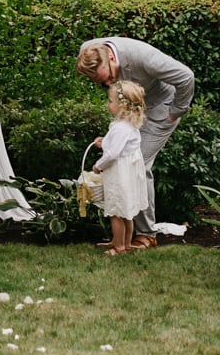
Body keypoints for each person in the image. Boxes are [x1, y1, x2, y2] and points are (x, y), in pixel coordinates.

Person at [73, 34, 198, 249]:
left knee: (138, 164)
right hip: (129, 114)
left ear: (111, 58)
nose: (108, 84)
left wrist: (176, 111)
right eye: (101, 83)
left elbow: (186, 76)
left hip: (161, 109)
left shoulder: (144, 57)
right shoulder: (89, 51)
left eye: (109, 78)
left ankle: (147, 235)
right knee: (126, 163)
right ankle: (123, 235)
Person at [92, 82, 150, 255]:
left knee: (116, 213)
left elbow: (112, 155)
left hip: (119, 176)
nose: (107, 104)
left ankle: (118, 248)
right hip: (129, 176)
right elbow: (120, 147)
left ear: (123, 106)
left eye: (110, 101)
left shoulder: (120, 128)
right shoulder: (129, 125)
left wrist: (98, 166)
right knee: (127, 213)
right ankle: (126, 244)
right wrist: (105, 142)